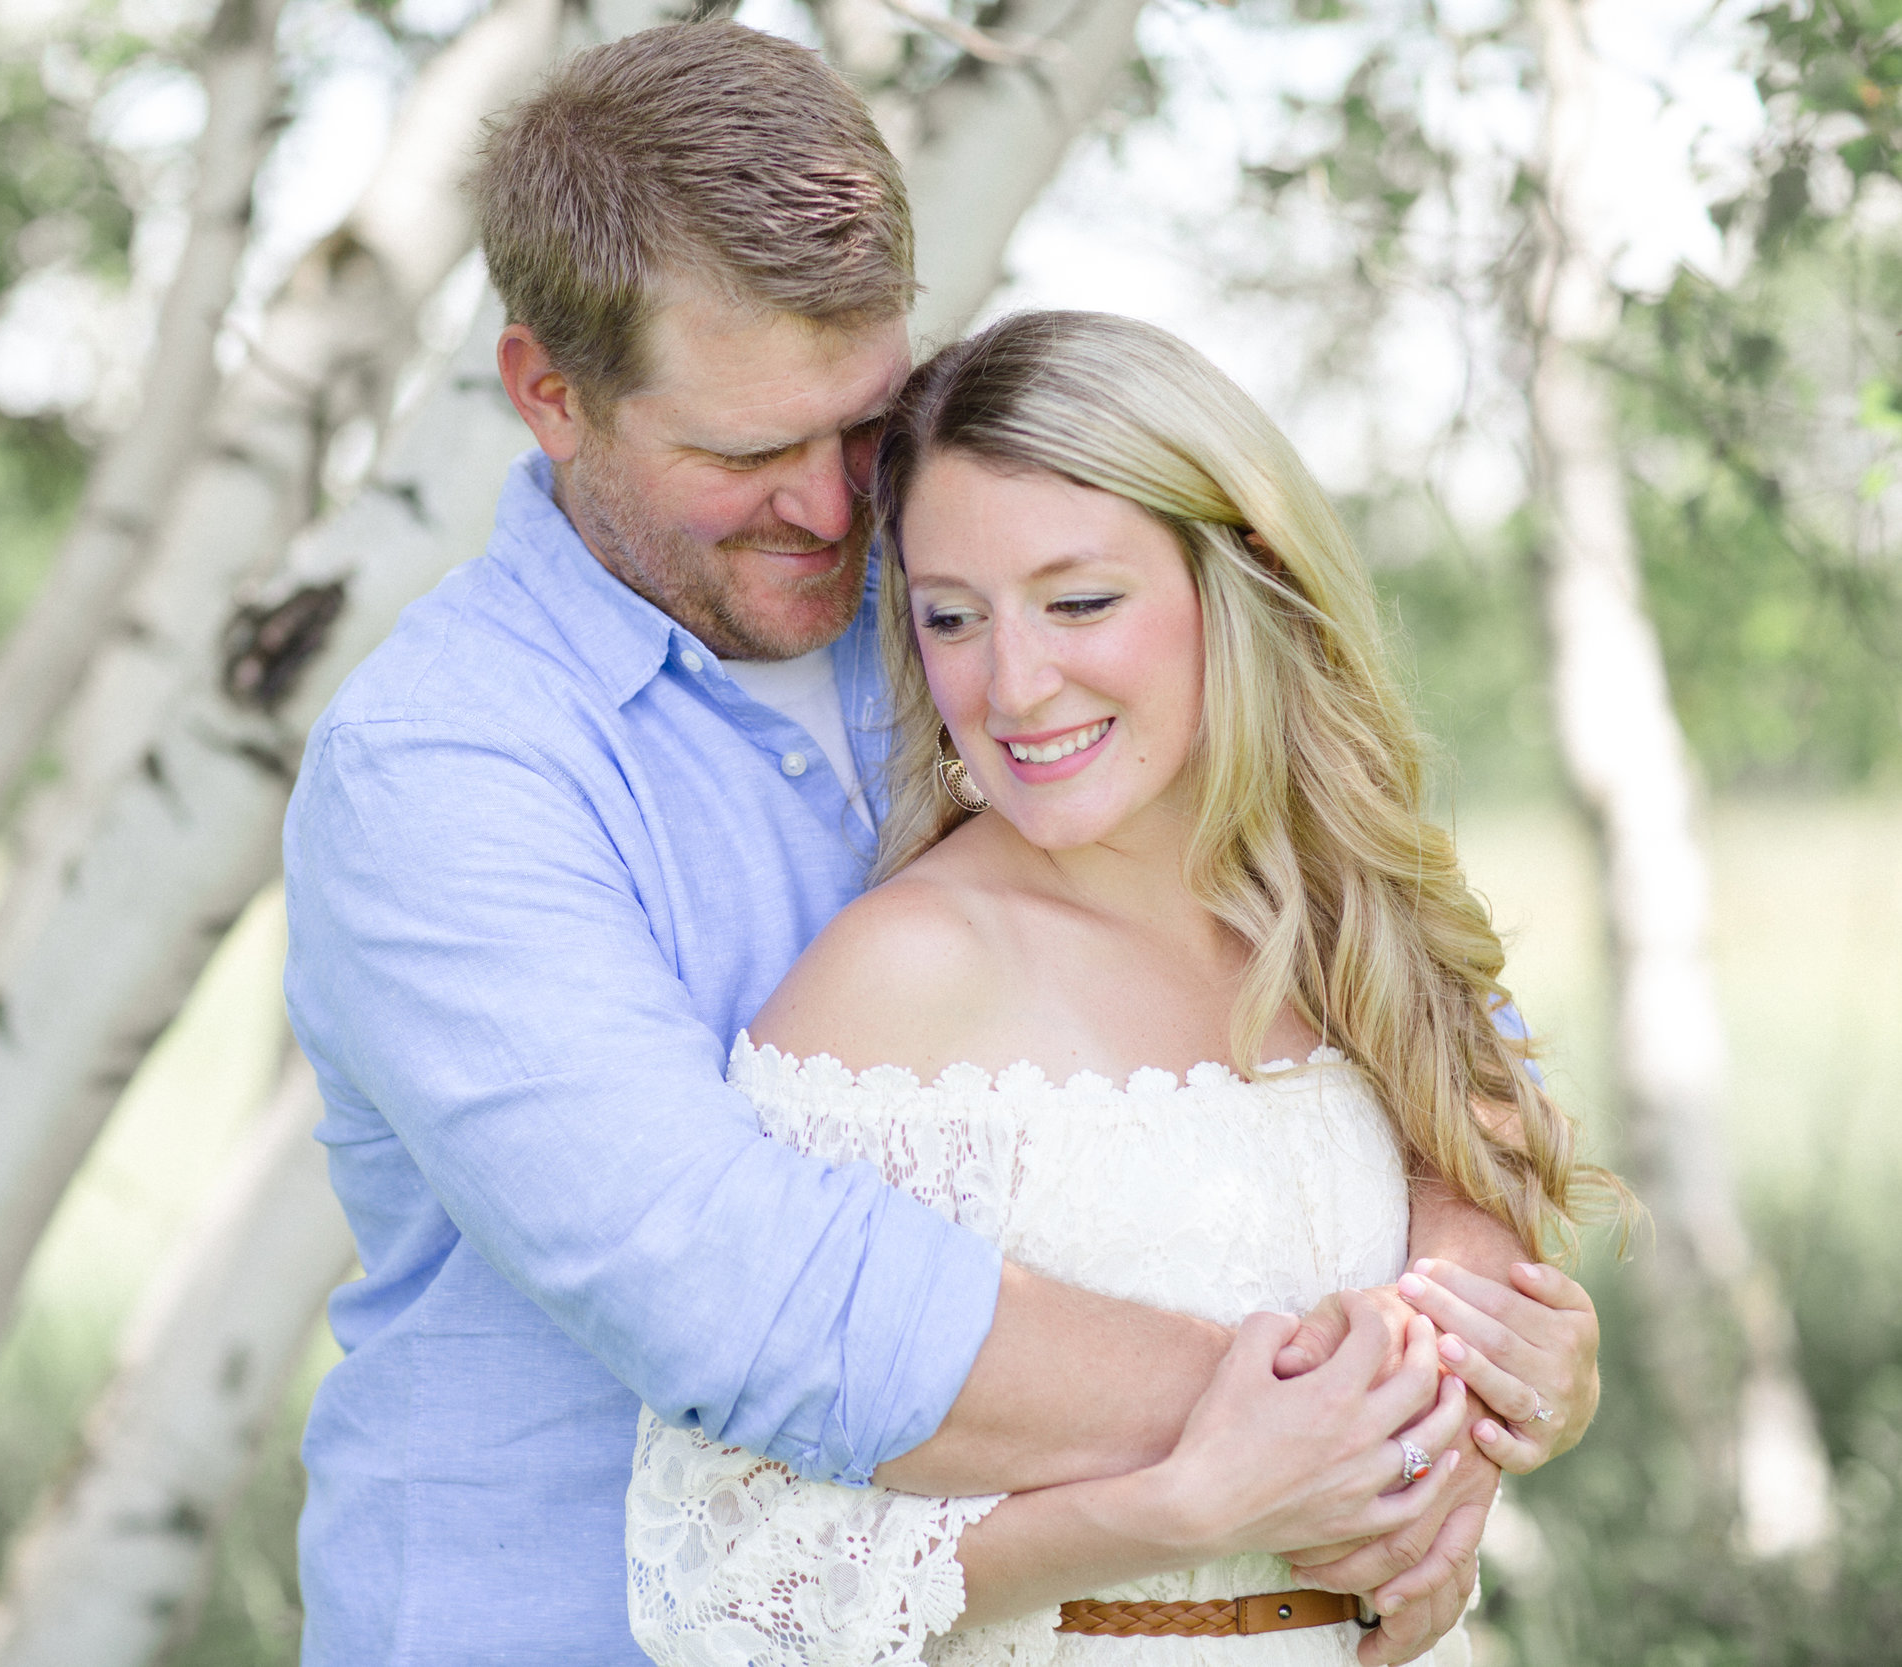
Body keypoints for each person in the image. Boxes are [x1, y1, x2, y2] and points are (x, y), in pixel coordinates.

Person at [281, 23, 1601, 1665]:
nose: (840, 512)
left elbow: (1411, 1001)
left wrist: (1460, 1346)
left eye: (863, 420)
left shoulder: (984, 586)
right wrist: (1343, 1437)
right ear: (549, 391)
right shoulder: (443, 774)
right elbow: (747, 1298)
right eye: (749, 454)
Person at [624, 310, 1616, 1664]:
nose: (1016, 686)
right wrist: (1175, 1511)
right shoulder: (905, 984)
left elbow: (1472, 1193)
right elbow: (723, 1576)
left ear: (1244, 578)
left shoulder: (1346, 911)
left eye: (1080, 601)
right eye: (951, 619)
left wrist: (1507, 1392)